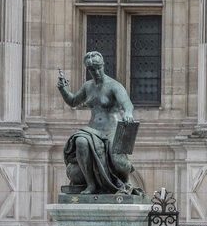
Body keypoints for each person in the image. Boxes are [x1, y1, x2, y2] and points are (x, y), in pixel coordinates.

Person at [56, 51, 142, 196]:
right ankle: (91, 184)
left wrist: (128, 113)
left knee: (117, 161)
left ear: (103, 65)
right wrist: (63, 89)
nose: (95, 71)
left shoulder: (114, 85)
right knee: (81, 142)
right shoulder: (87, 86)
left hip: (112, 128)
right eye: (91, 69)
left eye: (97, 67)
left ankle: (125, 180)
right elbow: (73, 101)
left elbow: (127, 104)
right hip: (93, 129)